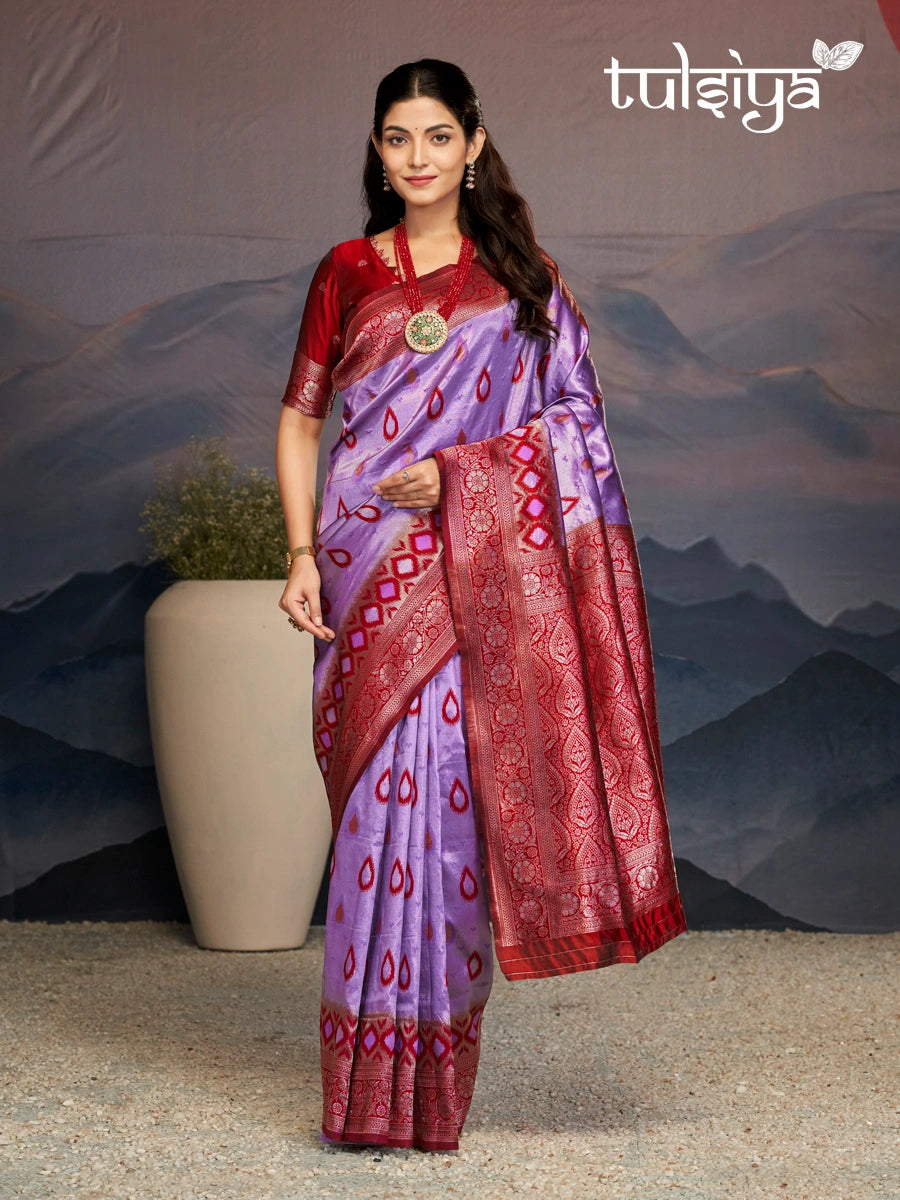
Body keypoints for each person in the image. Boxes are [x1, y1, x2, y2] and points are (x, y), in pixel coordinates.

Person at [275, 58, 687, 1153]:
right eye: (396, 138)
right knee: (376, 819)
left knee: (451, 819)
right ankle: (361, 1096)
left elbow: (577, 423)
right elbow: (301, 419)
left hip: (474, 574)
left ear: (474, 144)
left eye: (436, 136)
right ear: (377, 150)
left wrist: (464, 476)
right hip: (366, 567)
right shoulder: (347, 270)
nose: (416, 157)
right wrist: (301, 554)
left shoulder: (523, 279)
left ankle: (430, 1089)